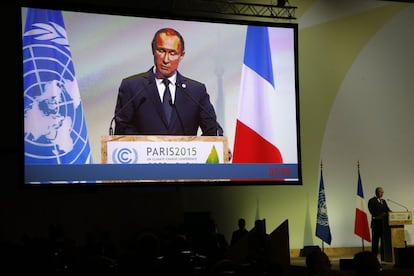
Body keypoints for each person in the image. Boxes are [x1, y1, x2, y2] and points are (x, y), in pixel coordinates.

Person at [114, 27, 223, 137]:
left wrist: (202, 150)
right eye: (161, 51)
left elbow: (211, 130)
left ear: (181, 55)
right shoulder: (132, 87)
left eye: (172, 53)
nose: (166, 60)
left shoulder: (195, 91)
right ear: (153, 50)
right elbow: (122, 131)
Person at [367, 187, 391, 260]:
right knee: (375, 242)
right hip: (376, 225)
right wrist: (380, 215)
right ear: (376, 192)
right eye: (380, 192)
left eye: (383, 192)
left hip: (384, 226)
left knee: (383, 242)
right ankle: (374, 258)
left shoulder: (383, 201)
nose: (382, 194)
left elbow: (387, 210)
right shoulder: (372, 201)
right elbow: (372, 212)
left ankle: (384, 257)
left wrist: (392, 213)